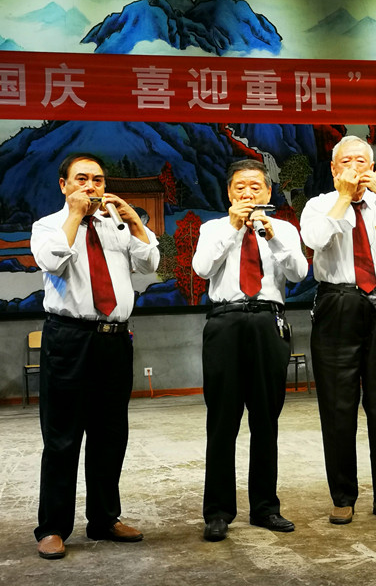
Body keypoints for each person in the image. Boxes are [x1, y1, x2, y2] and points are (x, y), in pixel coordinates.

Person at [30, 152, 160, 559]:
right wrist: (74, 215)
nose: (91, 186)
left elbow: (150, 264)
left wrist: (134, 222)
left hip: (114, 339)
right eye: (82, 179)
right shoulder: (48, 226)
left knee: (110, 435)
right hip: (69, 338)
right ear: (64, 185)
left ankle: (104, 518)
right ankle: (53, 527)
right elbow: (51, 261)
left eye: (98, 180)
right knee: (62, 437)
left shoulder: (116, 225)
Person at [300, 135, 376, 525]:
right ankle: (343, 496)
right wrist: (344, 198)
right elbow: (315, 240)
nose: (355, 168)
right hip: (338, 303)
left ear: (373, 167)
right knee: (338, 406)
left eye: (362, 162)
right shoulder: (319, 204)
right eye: (347, 161)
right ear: (334, 169)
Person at [192, 159, 308, 542]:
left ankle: (265, 507)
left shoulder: (284, 229)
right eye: (240, 187)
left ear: (268, 191)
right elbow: (202, 268)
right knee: (221, 422)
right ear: (229, 193)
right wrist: (233, 228)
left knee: (265, 420)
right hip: (224, 322)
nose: (247, 193)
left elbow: (298, 273)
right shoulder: (213, 228)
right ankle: (217, 511)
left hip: (267, 322)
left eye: (255, 186)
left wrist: (271, 235)